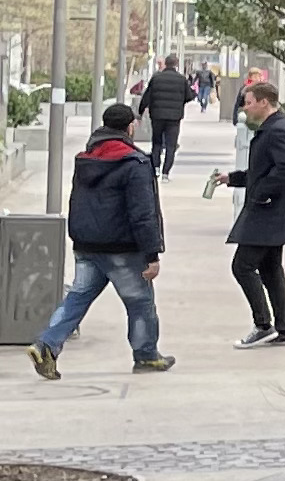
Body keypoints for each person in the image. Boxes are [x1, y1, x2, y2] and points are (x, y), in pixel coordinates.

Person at [29, 100, 173, 377]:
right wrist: (152, 254)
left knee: (77, 298)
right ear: (130, 127)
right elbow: (143, 213)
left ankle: (46, 344)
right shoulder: (135, 162)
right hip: (122, 248)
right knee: (140, 302)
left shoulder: (86, 158)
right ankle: (146, 356)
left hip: (87, 245)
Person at [221, 69, 285, 345]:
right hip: (270, 211)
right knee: (270, 269)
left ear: (264, 102)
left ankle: (263, 324)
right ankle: (283, 328)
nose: (245, 107)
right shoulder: (272, 128)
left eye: (249, 101)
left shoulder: (278, 130)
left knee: (242, 266)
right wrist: (232, 178)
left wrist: (262, 195)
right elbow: (261, 171)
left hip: (268, 212)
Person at [137, 50, 192, 176]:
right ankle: (166, 172)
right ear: (176, 65)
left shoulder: (156, 78)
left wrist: (140, 111)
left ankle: (156, 167)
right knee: (171, 144)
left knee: (156, 142)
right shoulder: (181, 79)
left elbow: (147, 96)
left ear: (165, 64)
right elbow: (189, 96)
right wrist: (179, 101)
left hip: (157, 115)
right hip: (174, 117)